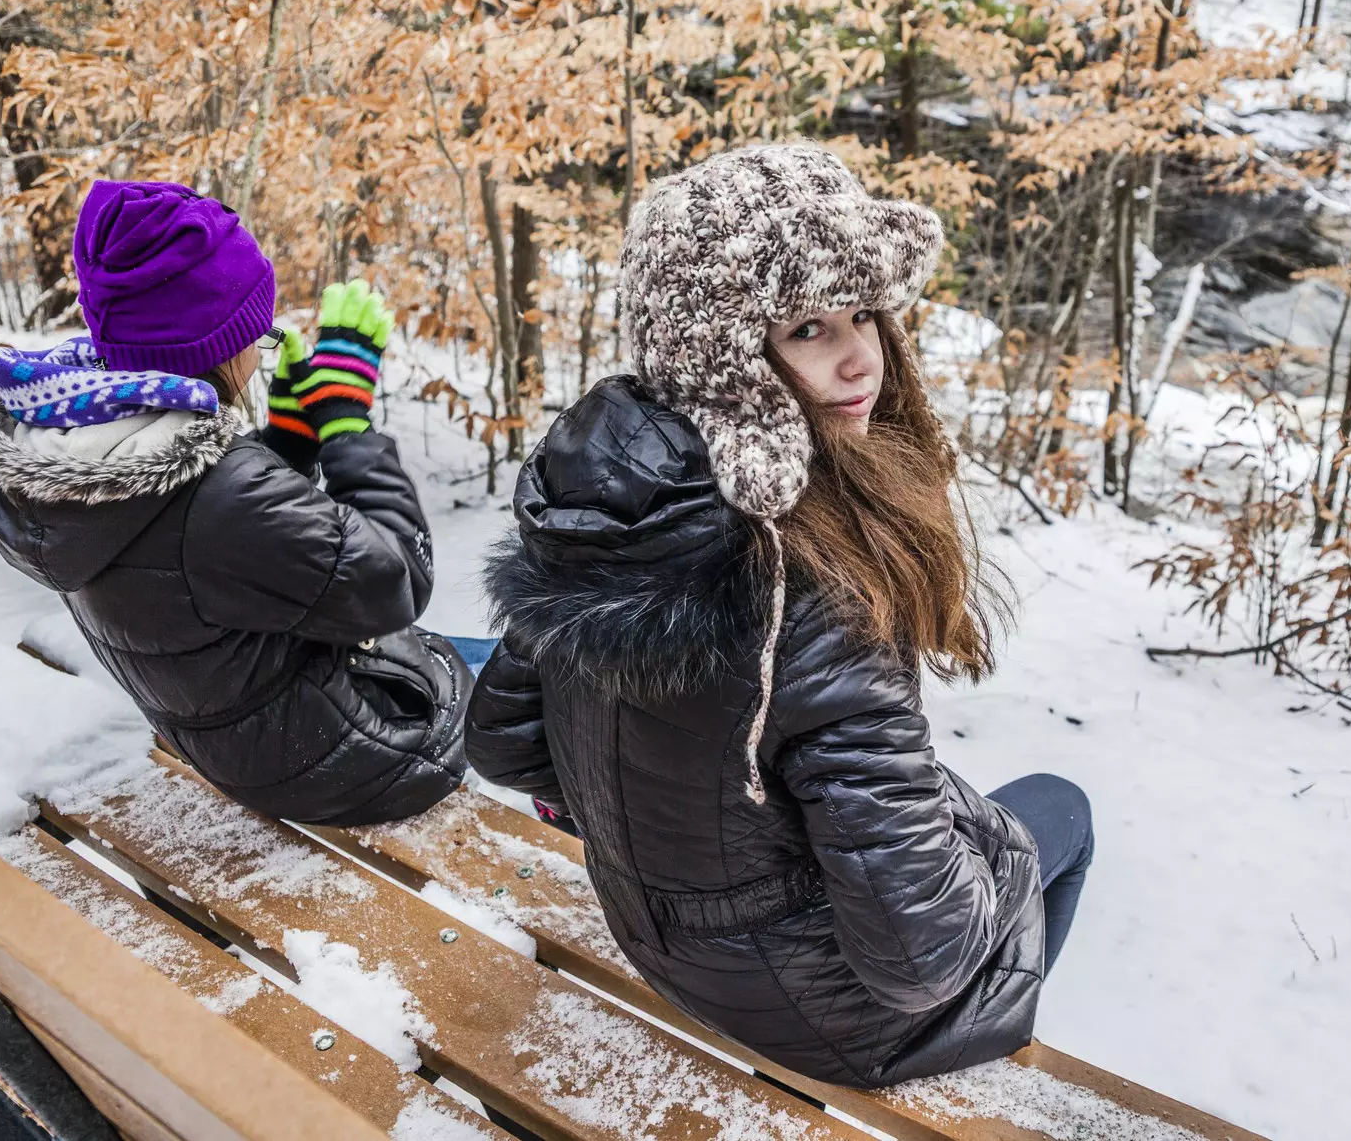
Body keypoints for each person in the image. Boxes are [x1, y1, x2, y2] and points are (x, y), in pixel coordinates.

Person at [465, 144, 1094, 1088]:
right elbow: (920, 959)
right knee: (1060, 813)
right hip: (825, 1022)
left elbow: (505, 744)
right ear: (721, 355)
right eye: (806, 327)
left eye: (863, 314)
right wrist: (974, 853)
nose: (861, 358)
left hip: (663, 941)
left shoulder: (619, 502)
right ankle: (999, 1066)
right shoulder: (818, 589)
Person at [0, 180, 469, 825]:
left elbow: (200, 553)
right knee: (479, 668)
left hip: (212, 727)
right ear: (217, 347)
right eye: (255, 335)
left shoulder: (65, 442)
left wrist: (285, 444)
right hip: (339, 764)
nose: (257, 356)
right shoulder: (220, 493)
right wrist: (346, 427)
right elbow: (393, 581)